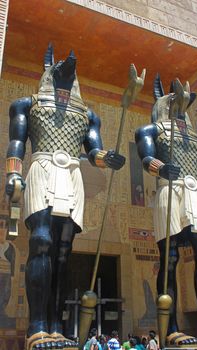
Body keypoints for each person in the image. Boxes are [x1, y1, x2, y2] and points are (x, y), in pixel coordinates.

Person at [5, 45, 125, 350]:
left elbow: (93, 150)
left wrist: (106, 158)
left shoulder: (87, 115)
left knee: (62, 251)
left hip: (72, 175)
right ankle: (37, 327)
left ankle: (56, 327)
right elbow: (17, 142)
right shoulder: (27, 105)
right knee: (41, 241)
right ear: (48, 70)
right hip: (42, 168)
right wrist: (13, 173)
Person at [135, 74, 197, 347]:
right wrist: (159, 167)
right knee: (170, 259)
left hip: (195, 193)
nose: (182, 108)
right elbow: (146, 157)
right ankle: (171, 328)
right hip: (169, 190)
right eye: (178, 102)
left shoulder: (192, 134)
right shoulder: (151, 130)